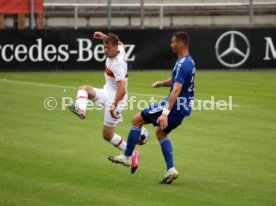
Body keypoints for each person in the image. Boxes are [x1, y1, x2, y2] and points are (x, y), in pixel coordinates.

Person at [108, 31, 195, 184]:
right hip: (184, 107)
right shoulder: (188, 61)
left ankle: (128, 157)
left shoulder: (182, 64)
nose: (171, 44)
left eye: (173, 42)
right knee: (161, 133)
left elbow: (176, 90)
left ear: (180, 43)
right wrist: (163, 83)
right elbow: (177, 81)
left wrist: (165, 113)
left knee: (136, 120)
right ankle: (171, 169)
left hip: (174, 105)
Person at [68, 31, 139, 174]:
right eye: (104, 47)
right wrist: (105, 37)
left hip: (116, 100)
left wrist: (113, 105)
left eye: (108, 48)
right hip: (108, 92)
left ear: (114, 48)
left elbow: (123, 89)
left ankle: (132, 153)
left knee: (107, 135)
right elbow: (121, 43)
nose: (105, 50)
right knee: (83, 89)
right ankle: (81, 110)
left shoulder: (117, 64)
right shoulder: (120, 48)